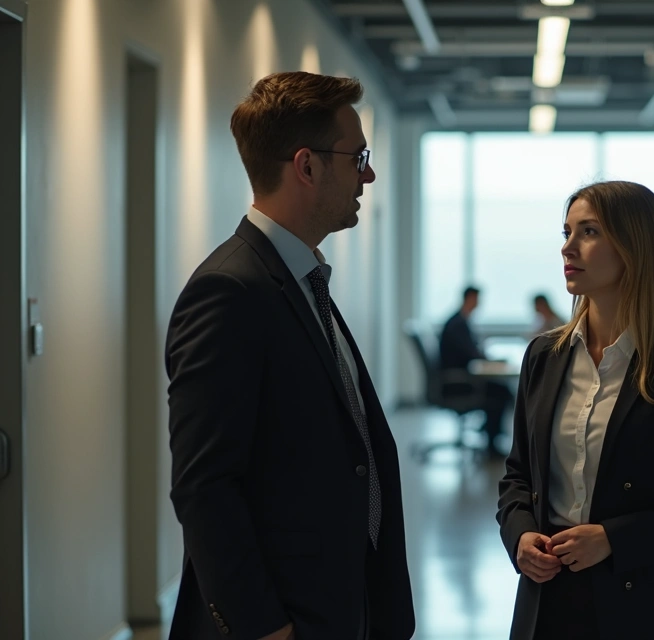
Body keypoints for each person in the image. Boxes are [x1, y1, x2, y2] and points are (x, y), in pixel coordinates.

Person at [165, 72, 414, 640]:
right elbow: (205, 486)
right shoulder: (229, 290)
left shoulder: (300, 280)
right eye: (358, 157)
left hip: (335, 605)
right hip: (284, 620)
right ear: (307, 166)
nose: (367, 174)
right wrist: (264, 627)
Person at [496, 181, 654, 640]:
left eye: (589, 232)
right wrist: (520, 537)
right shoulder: (543, 356)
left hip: (645, 607)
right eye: (567, 232)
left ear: (635, 247)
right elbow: (517, 476)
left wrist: (613, 538)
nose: (568, 247)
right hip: (545, 604)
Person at [439, 286, 514, 455]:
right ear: (469, 298)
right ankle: (491, 445)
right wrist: (490, 360)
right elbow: (470, 353)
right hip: (458, 383)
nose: (479, 304)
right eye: (477, 299)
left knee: (500, 388)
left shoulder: (460, 320)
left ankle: (491, 432)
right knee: (501, 392)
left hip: (461, 377)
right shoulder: (458, 324)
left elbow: (471, 351)